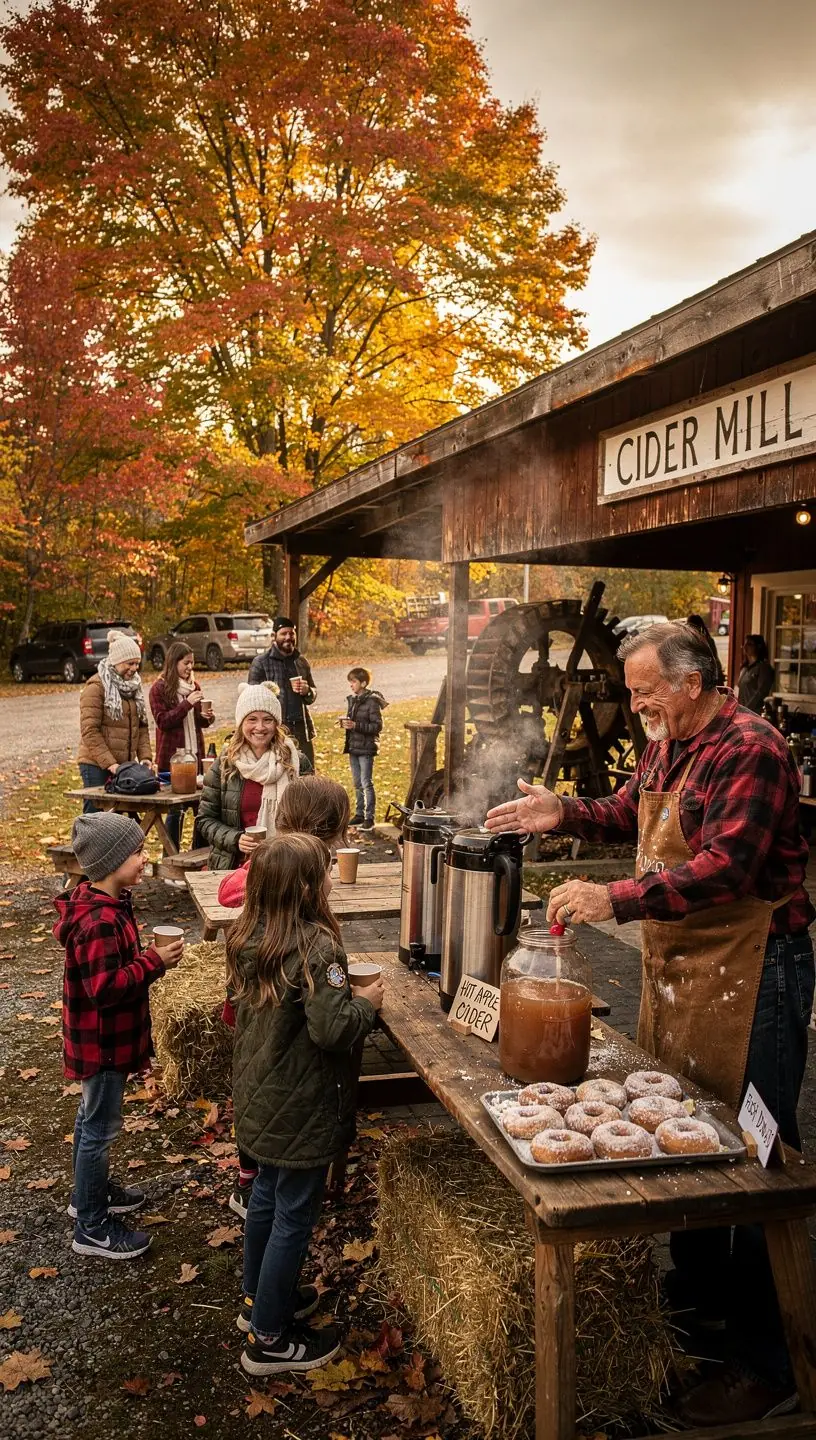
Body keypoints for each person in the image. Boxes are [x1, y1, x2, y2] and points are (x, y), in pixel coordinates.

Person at [485, 621, 814, 1427]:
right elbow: (629, 812)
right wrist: (560, 811)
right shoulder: (673, 745)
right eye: (632, 693)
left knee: (757, 1160)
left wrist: (616, 899)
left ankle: (770, 1366)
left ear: (692, 681)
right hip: (686, 967)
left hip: (759, 972)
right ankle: (698, 1317)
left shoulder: (753, 749)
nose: (634, 707)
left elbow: (727, 867)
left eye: (645, 691)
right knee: (687, 1128)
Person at [226, 832, 383, 1376]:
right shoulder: (318, 947)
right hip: (300, 1109)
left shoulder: (247, 932)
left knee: (267, 1196)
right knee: (293, 1214)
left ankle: (259, 1300)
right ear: (307, 886)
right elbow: (332, 1029)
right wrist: (366, 1005)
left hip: (258, 1101)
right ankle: (269, 1340)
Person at [53, 812, 183, 1259]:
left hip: (104, 1039)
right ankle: (91, 1226)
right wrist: (153, 963)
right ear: (110, 862)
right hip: (103, 1044)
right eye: (137, 853)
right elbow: (105, 990)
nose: (145, 859)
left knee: (91, 1120)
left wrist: (149, 960)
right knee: (99, 1130)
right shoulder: (98, 922)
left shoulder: (108, 902)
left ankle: (87, 1193)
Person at [197, 683, 304, 870]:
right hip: (236, 865)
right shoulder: (225, 763)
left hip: (288, 864)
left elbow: (314, 815)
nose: (260, 727)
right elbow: (205, 820)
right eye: (252, 719)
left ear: (277, 724)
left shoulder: (296, 761)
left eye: (268, 720)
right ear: (241, 723)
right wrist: (235, 839)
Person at [217, 775, 350, 910]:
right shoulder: (307, 861)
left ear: (283, 815)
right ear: (337, 827)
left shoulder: (276, 856)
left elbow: (226, 893)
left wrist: (253, 867)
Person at [148, 641, 215, 848]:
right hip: (173, 759)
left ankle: (198, 854)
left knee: (201, 807)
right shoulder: (159, 689)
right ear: (174, 662)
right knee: (175, 811)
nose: (189, 668)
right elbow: (163, 722)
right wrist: (187, 704)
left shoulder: (194, 686)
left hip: (195, 756)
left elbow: (198, 723)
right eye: (186, 663)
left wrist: (206, 717)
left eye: (192, 663)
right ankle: (172, 855)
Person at [77, 629, 152, 812]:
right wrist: (110, 764)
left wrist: (145, 757)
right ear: (116, 661)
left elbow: (141, 726)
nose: (134, 668)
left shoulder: (134, 687)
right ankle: (82, 842)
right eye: (130, 663)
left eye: (137, 664)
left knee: (118, 817)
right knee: (94, 815)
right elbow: (89, 730)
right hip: (96, 763)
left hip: (123, 765)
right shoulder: (96, 687)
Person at [247, 616, 316, 769]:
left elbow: (313, 694)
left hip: (301, 728)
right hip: (276, 729)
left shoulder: (301, 661)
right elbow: (250, 697)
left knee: (307, 774)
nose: (288, 638)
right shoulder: (261, 662)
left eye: (291, 634)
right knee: (280, 773)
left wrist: (307, 691)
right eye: (284, 634)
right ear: (274, 636)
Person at [341, 667, 388, 829]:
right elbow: (353, 723)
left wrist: (356, 725)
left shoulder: (371, 702)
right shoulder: (354, 700)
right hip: (354, 747)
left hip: (366, 748)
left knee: (366, 782)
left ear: (363, 683)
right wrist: (346, 724)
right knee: (357, 783)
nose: (351, 685)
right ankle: (359, 814)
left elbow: (377, 726)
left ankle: (370, 816)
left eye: (353, 681)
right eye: (350, 682)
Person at [738, 633, 775, 715]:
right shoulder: (745, 668)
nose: (745, 646)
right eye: (745, 644)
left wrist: (746, 710)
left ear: (758, 646)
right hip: (741, 712)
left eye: (750, 644)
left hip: (754, 713)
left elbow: (760, 693)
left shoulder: (764, 668)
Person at [685, 613, 725, 686]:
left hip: (704, 678)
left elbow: (714, 660)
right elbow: (716, 660)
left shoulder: (702, 641)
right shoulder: (707, 640)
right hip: (704, 676)